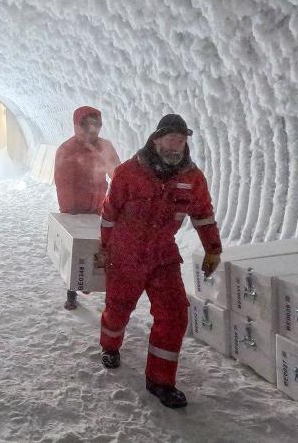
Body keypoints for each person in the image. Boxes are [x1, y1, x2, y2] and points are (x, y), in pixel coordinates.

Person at [96, 113, 222, 409]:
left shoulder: (192, 178)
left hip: (163, 255)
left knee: (175, 313)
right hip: (126, 253)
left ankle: (160, 381)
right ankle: (110, 345)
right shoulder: (129, 172)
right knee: (118, 308)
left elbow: (203, 214)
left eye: (180, 141)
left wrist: (212, 249)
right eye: (170, 139)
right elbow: (110, 212)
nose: (175, 147)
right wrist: (105, 247)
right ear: (156, 140)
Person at [53, 105, 121, 310]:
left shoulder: (105, 147)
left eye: (95, 125)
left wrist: (120, 199)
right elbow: (63, 182)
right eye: (85, 125)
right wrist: (69, 210)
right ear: (77, 126)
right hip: (75, 210)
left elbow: (117, 174)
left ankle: (97, 286)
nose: (92, 130)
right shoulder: (67, 150)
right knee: (76, 250)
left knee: (100, 249)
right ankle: (72, 291)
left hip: (99, 207)